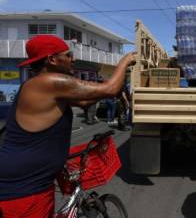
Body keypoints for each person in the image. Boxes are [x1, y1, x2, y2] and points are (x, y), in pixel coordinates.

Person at [0, 35, 135, 218]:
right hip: (24, 187)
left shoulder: (43, 85)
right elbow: (110, 89)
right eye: (68, 54)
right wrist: (125, 61)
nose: (73, 58)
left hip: (35, 181)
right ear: (52, 59)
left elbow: (85, 101)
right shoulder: (49, 82)